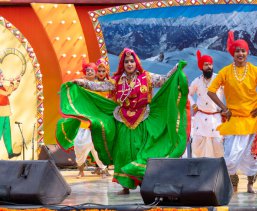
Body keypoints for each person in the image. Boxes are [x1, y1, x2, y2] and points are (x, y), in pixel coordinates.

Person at [59, 48, 188, 194]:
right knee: (123, 151)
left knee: (140, 149)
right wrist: (81, 83)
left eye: (132, 61)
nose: (129, 64)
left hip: (142, 119)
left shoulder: (147, 77)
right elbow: (100, 85)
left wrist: (176, 70)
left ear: (136, 62)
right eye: (126, 61)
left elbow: (165, 80)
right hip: (123, 119)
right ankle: (125, 185)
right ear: (123, 64)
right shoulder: (117, 80)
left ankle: (143, 182)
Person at [207, 31, 257, 193]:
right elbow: (211, 91)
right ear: (233, 53)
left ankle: (250, 184)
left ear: (247, 53)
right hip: (234, 121)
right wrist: (224, 108)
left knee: (253, 157)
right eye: (237, 50)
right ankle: (234, 183)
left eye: (243, 50)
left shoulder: (254, 70)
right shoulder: (225, 72)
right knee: (231, 158)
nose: (240, 53)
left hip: (252, 120)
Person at [58, 61, 110, 179]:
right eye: (87, 70)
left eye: (92, 70)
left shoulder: (100, 85)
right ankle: (81, 171)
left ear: (96, 72)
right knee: (79, 146)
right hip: (83, 122)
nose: (90, 72)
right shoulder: (80, 85)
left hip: (95, 121)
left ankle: (103, 169)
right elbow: (72, 94)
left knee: (98, 147)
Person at [188, 50, 224, 158]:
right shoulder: (197, 81)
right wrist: (194, 105)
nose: (209, 66)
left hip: (216, 116)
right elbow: (188, 94)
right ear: (201, 67)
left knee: (217, 144)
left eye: (210, 64)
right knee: (197, 144)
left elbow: (230, 92)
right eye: (206, 64)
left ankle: (217, 169)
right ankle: (199, 169)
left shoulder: (219, 79)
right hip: (201, 117)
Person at [0, 69, 21, 159]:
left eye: (2, 76)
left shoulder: (3, 86)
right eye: (1, 76)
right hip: (0, 113)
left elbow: (13, 89)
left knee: (7, 133)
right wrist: (11, 84)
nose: (2, 77)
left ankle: (10, 152)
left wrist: (17, 81)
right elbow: (7, 93)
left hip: (6, 112)